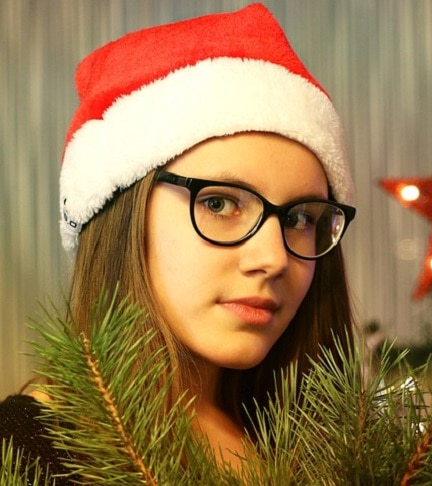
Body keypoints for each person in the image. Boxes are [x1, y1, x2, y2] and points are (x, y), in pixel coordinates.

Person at [0, 3, 356, 482]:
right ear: (122, 217)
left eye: (298, 217)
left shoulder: (332, 449)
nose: (273, 258)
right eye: (220, 204)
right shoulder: (25, 454)